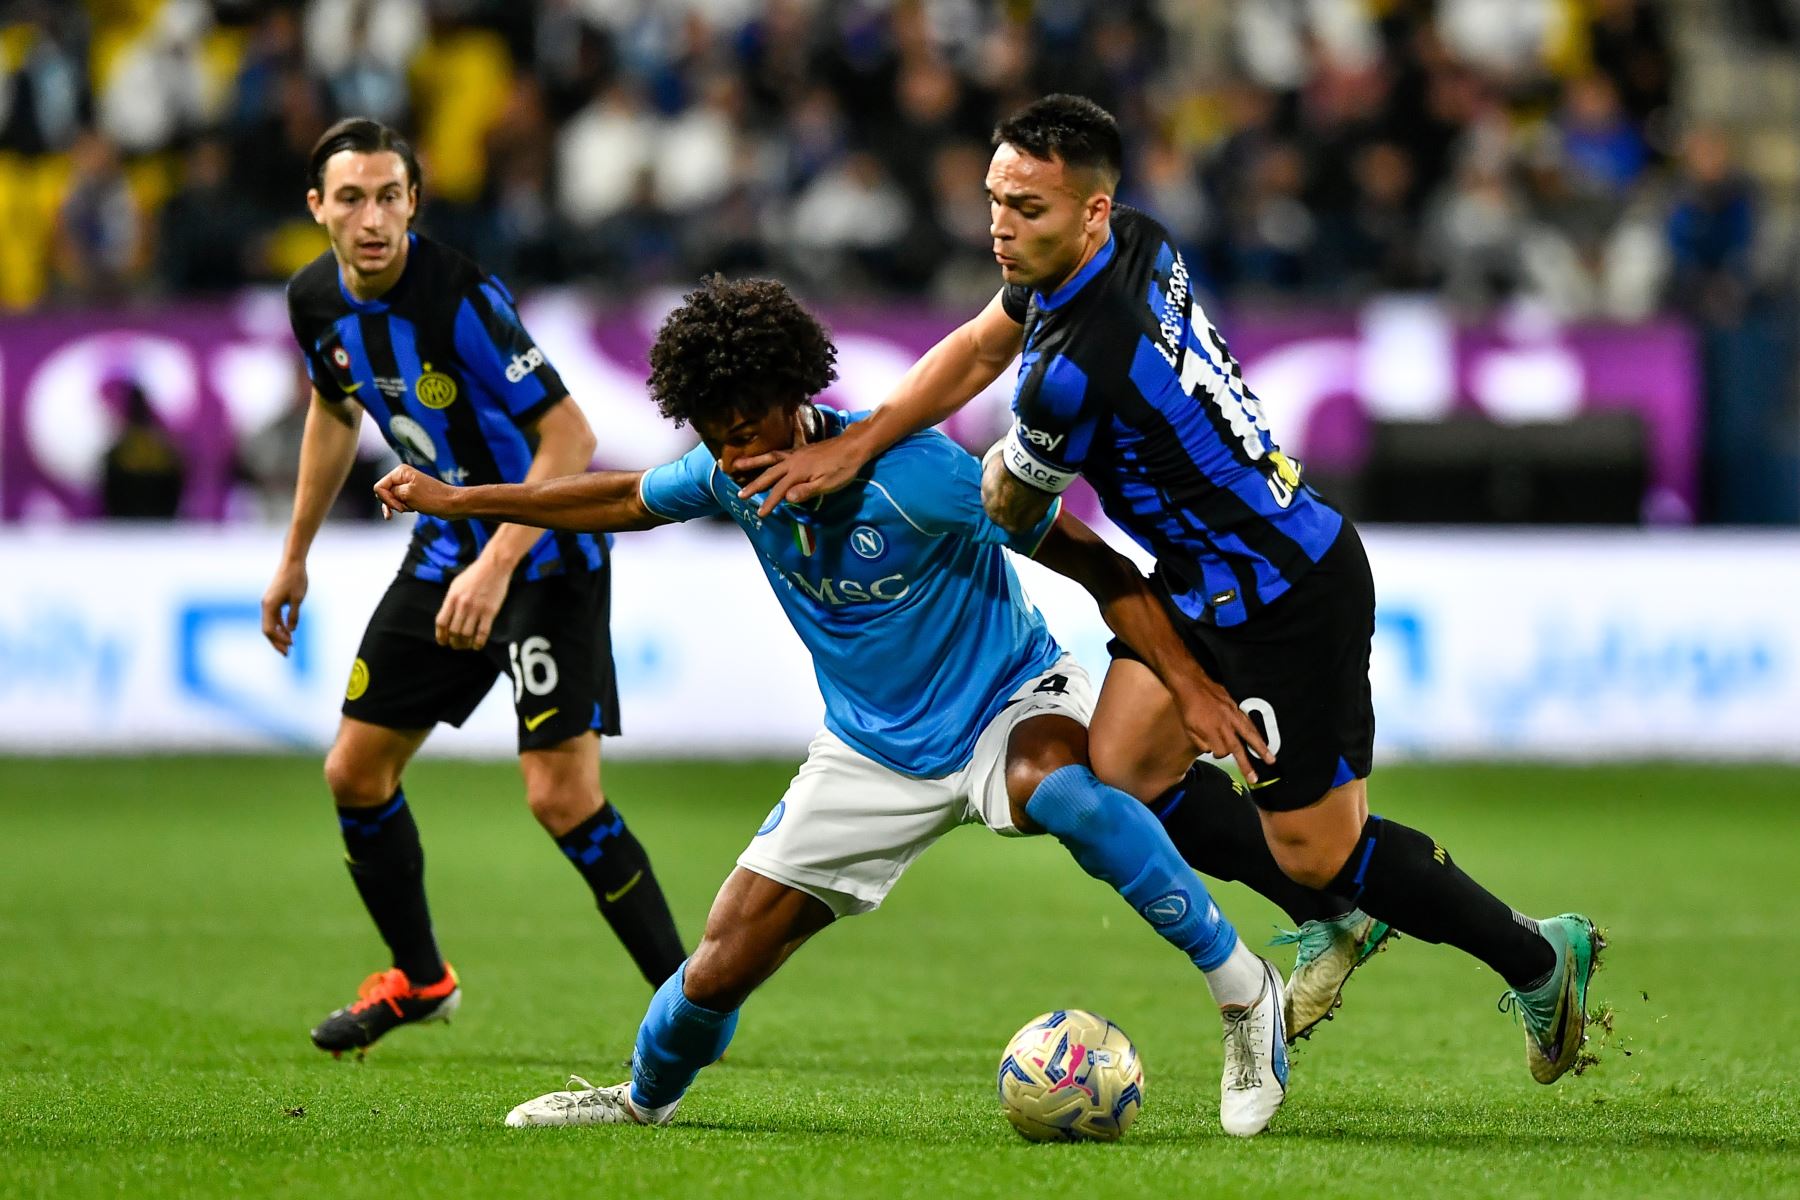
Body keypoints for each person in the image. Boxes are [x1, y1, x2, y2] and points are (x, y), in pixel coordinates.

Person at [737, 94, 1604, 1083]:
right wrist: (862, 437)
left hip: (1285, 594)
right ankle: (1333, 917)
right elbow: (979, 346)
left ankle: (1538, 956)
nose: (1001, 227)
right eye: (995, 200)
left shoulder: (1070, 370)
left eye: (1029, 209)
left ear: (1092, 211)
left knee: (1323, 849)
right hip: (1198, 575)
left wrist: (975, 477)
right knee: (1126, 775)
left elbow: (1016, 514)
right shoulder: (1134, 244)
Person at [375, 274, 1291, 1136]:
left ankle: (1246, 992)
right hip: (869, 750)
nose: (735, 454)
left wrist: (1188, 684)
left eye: (747, 427)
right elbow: (621, 496)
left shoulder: (919, 472)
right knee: (721, 963)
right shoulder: (727, 473)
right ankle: (642, 1099)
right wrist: (461, 498)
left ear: (795, 395)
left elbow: (1097, 564)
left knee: (1058, 788)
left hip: (1007, 700)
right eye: (715, 435)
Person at [261, 117, 686, 1057]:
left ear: (413, 201)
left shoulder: (457, 297)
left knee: (561, 797)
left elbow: (570, 436)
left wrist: (498, 562)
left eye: (389, 196)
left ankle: (692, 999)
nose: (371, 218)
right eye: (351, 198)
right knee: (354, 772)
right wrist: (295, 552)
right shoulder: (312, 304)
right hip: (446, 552)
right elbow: (334, 414)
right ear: (318, 208)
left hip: (543, 559)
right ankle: (420, 980)